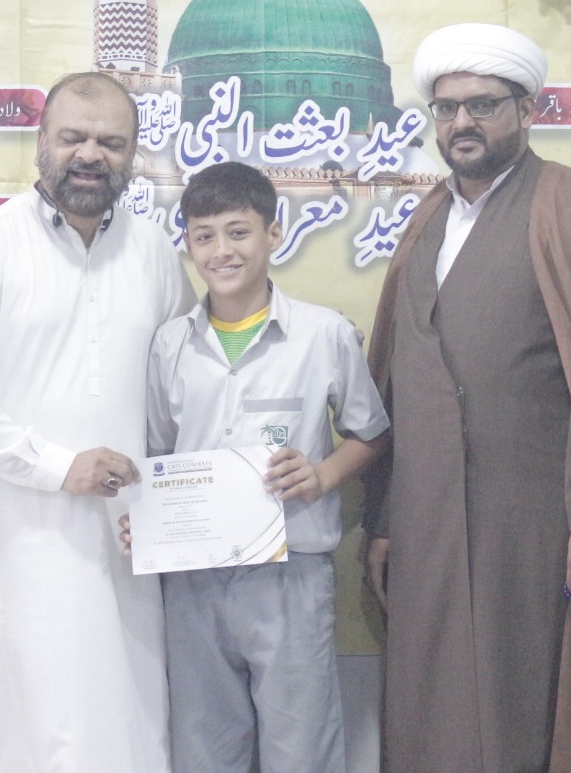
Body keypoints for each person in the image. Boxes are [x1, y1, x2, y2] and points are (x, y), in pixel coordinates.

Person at [362, 24, 571, 772]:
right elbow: (395, 386)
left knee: (527, 707)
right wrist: (383, 522)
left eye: (483, 105)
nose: (462, 123)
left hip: (538, 525)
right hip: (428, 525)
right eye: (447, 109)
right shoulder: (426, 222)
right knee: (434, 711)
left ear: (527, 109)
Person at [0, 70, 193, 772]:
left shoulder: (155, 254)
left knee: (129, 731)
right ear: (42, 142)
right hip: (14, 547)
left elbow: (181, 388)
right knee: (33, 739)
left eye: (110, 142)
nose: (90, 155)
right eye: (73, 137)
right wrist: (58, 466)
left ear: (133, 154)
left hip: (127, 544)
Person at [141, 162, 390, 773]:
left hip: (291, 576)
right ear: (188, 243)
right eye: (204, 236)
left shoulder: (323, 334)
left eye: (238, 232)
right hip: (194, 581)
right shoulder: (169, 345)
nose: (221, 251)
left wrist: (322, 475)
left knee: (301, 750)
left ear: (273, 234)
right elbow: (159, 456)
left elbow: (372, 434)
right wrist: (145, 519)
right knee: (204, 749)